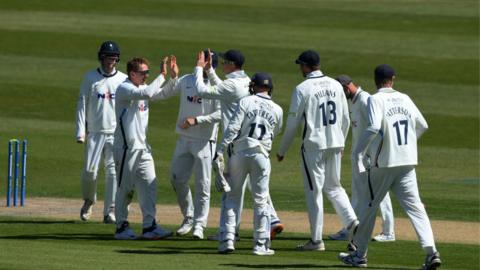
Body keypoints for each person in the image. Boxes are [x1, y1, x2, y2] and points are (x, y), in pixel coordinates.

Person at [338, 64, 441, 270]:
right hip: (407, 162)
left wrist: (359, 152)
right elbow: (423, 125)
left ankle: (359, 255)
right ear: (393, 78)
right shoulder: (405, 98)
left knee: (368, 208)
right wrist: (407, 144)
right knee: (416, 209)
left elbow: (374, 126)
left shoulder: (375, 99)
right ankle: (431, 252)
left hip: (384, 164)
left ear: (375, 79)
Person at [194, 49, 284, 241]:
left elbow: (202, 91)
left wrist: (199, 68)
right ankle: (272, 220)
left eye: (225, 61)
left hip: (234, 143)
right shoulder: (246, 81)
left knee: (231, 190)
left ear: (232, 64)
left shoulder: (232, 85)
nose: (222, 63)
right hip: (254, 142)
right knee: (253, 185)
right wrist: (210, 71)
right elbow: (224, 89)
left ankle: (228, 233)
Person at [276, 50, 358, 251]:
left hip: (314, 146)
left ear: (305, 66)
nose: (299, 69)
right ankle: (352, 221)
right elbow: (346, 118)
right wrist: (342, 142)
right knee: (334, 187)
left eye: (300, 65)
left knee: (314, 192)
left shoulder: (302, 88)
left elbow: (293, 123)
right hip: (335, 143)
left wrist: (282, 149)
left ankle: (316, 240)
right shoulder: (336, 85)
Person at [214, 72, 283, 255]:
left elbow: (233, 127)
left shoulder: (246, 101)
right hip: (261, 155)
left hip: (239, 153)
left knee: (232, 197)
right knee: (261, 200)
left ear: (254, 86)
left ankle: (227, 240)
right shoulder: (277, 109)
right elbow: (275, 132)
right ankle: (260, 245)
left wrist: (220, 150)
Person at [156, 51, 221, 240]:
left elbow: (220, 115)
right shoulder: (187, 80)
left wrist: (197, 120)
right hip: (184, 139)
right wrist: (173, 78)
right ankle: (189, 217)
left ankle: (200, 225)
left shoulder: (218, 87)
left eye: (205, 62)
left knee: (203, 185)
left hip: (204, 141)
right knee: (177, 179)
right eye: (200, 61)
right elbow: (162, 95)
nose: (200, 65)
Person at [112, 57, 175, 240]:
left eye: (148, 72)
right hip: (126, 147)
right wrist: (161, 75)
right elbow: (148, 93)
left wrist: (173, 79)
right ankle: (121, 227)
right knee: (126, 187)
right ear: (132, 73)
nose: (147, 75)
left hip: (143, 147)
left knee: (149, 184)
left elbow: (161, 94)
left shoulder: (141, 88)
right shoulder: (125, 88)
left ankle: (149, 226)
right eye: (143, 73)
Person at [329, 75, 395, 243]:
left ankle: (388, 231)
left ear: (346, 88)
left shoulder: (366, 100)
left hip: (371, 156)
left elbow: (379, 126)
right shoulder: (352, 102)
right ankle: (350, 226)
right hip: (360, 156)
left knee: (379, 192)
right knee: (358, 192)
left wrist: (372, 152)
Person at [75, 41, 127, 223]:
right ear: (101, 57)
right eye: (107, 57)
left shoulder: (123, 79)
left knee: (113, 171)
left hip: (115, 133)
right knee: (90, 171)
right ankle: (89, 200)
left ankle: (110, 210)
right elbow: (82, 104)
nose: (110, 61)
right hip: (95, 132)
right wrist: (80, 132)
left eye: (113, 58)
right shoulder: (90, 78)